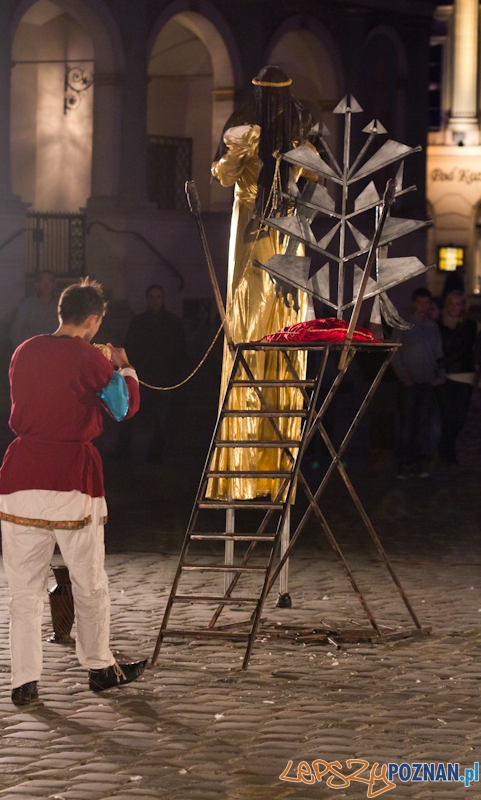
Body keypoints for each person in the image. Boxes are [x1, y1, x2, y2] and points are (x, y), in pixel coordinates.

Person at [0, 278, 146, 705]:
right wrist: (124, 367)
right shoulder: (87, 356)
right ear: (94, 319)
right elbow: (122, 407)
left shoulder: (24, 350)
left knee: (23, 589)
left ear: (61, 313)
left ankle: (24, 680)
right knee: (88, 580)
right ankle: (99, 666)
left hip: (21, 476)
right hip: (71, 477)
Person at [208, 65, 316, 500]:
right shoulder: (301, 139)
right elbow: (313, 183)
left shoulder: (243, 134)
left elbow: (224, 175)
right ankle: (273, 462)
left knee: (249, 330)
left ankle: (245, 465)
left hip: (255, 238)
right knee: (281, 333)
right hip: (288, 237)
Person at [125, 285, 186, 463]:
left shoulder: (172, 322)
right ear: (147, 299)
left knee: (162, 417)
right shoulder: (139, 322)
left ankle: (157, 452)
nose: (155, 300)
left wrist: (176, 373)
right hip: (144, 376)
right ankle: (127, 450)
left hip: (165, 377)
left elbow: (180, 349)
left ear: (163, 298)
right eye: (152, 297)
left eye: (158, 297)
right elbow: (131, 347)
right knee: (134, 414)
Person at [392, 287, 444, 478]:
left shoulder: (431, 326)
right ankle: (404, 463)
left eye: (426, 303)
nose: (423, 307)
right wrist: (405, 377)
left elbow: (438, 353)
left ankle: (418, 462)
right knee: (407, 424)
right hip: (409, 383)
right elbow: (395, 353)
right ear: (414, 303)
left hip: (427, 382)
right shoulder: (404, 325)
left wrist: (440, 375)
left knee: (423, 424)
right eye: (420, 303)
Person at [436, 290, 477, 467]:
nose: (455, 307)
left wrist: (440, 364)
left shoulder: (469, 325)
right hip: (444, 375)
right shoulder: (438, 324)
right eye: (452, 303)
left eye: (459, 304)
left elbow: (462, 349)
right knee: (446, 416)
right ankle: (447, 451)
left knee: (459, 417)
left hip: (463, 374)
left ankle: (447, 447)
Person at [10, 270, 59, 348]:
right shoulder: (27, 304)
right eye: (42, 281)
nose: (46, 284)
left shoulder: (62, 304)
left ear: (54, 284)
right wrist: (24, 350)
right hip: (33, 350)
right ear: (37, 284)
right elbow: (16, 331)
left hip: (57, 349)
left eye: (49, 281)